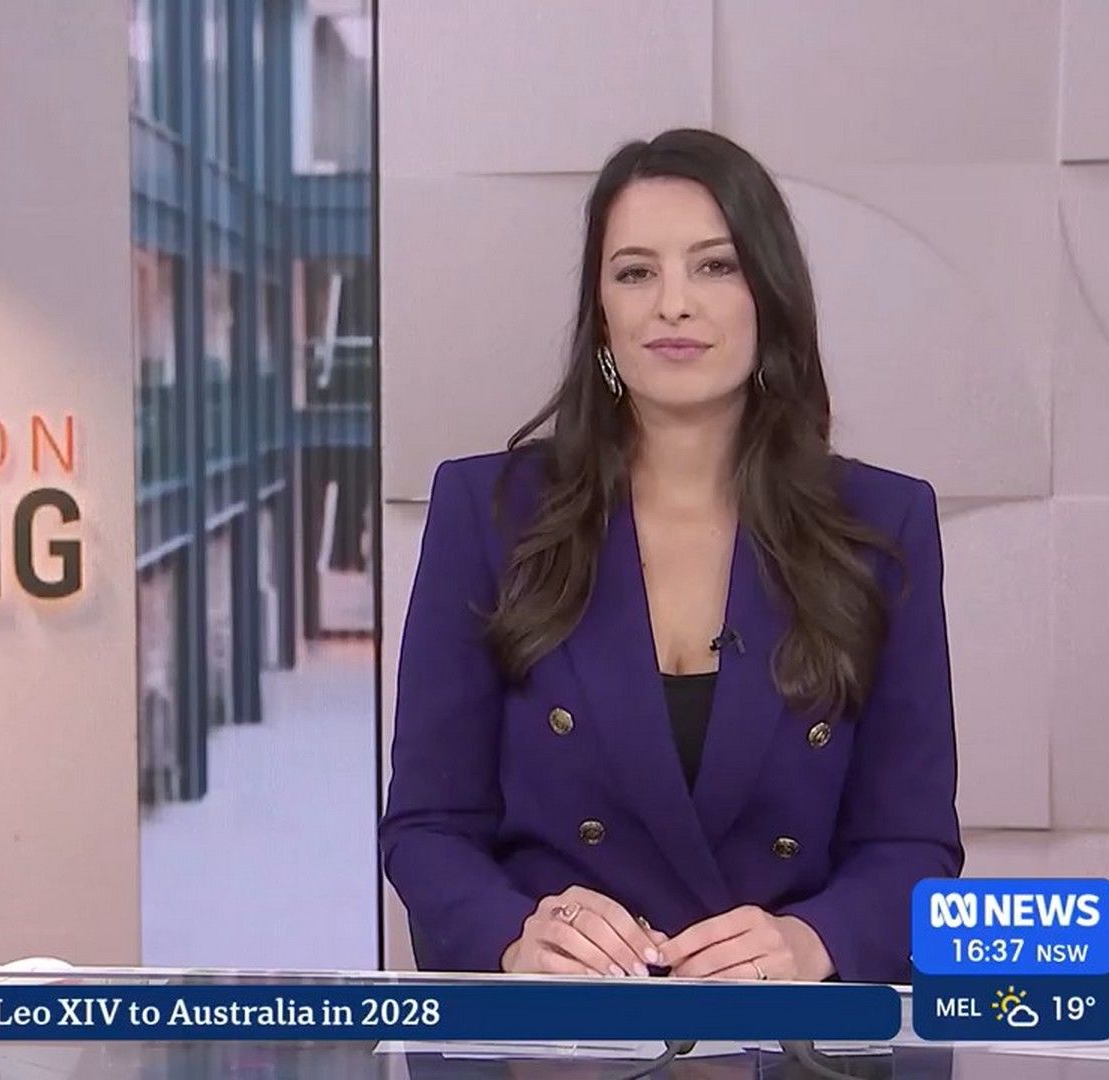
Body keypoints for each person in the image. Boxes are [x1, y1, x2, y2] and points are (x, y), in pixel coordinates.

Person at [379, 129, 962, 985]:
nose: (673, 304)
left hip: (783, 1032)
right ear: (601, 313)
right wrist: (514, 936)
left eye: (715, 266)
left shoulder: (882, 523)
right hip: (564, 1031)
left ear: (769, 295)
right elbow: (427, 827)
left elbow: (912, 843)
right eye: (635, 272)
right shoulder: (489, 513)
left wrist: (814, 942)